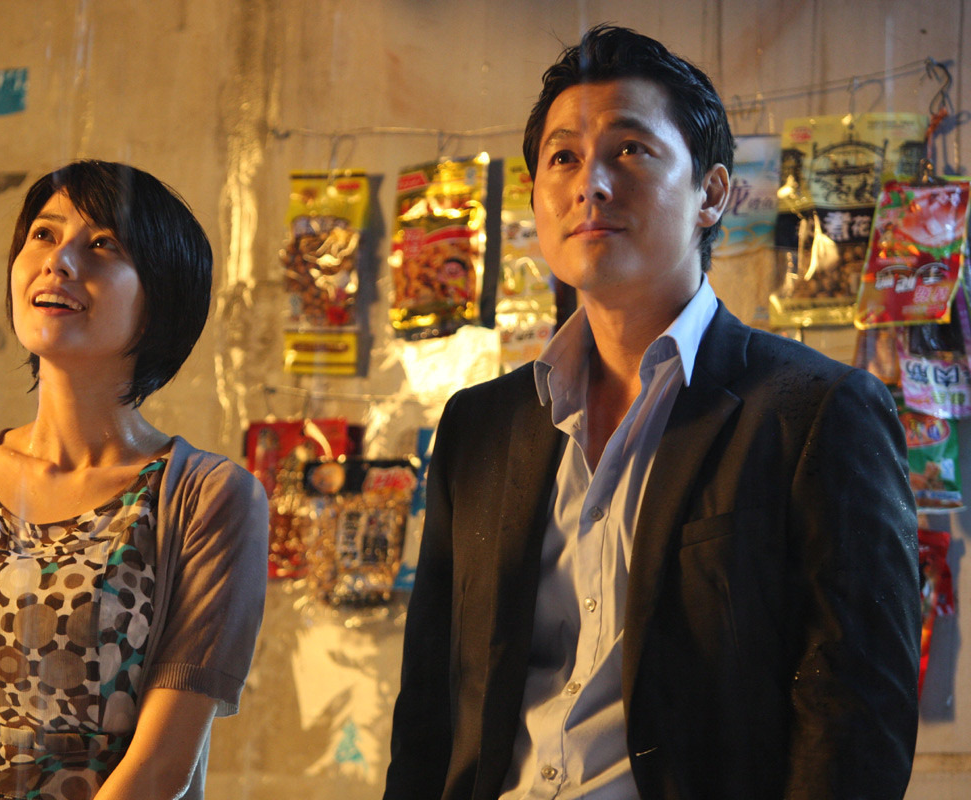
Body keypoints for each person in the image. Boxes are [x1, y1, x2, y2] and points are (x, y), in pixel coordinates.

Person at [384, 25, 919, 800]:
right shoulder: (480, 427)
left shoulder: (818, 412)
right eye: (563, 158)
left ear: (713, 194)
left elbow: (855, 721)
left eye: (630, 149)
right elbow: (429, 708)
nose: (590, 185)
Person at [0, 160, 269, 800]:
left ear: (160, 299)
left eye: (103, 245)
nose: (58, 261)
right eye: (43, 234)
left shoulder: (207, 498)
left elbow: (160, 769)